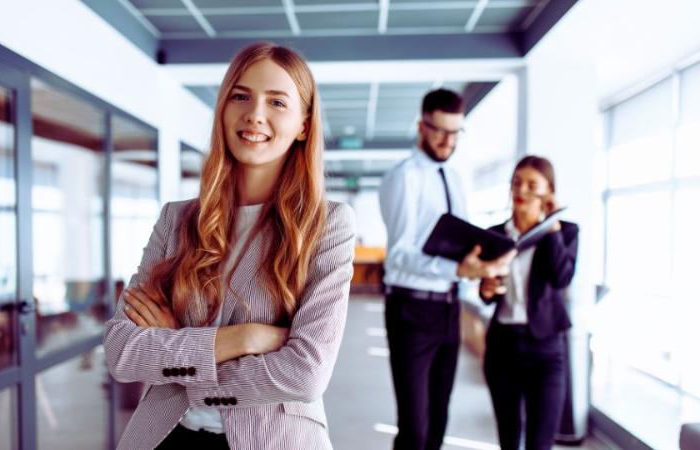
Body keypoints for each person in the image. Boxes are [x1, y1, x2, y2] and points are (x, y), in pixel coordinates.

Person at [103, 42, 356, 450]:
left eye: (277, 102)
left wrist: (179, 349)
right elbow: (122, 351)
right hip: (167, 435)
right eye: (241, 96)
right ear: (222, 108)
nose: (255, 114)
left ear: (304, 125)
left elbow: (304, 374)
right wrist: (243, 339)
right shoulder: (177, 219)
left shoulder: (327, 225)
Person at [379, 89, 516, 450]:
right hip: (411, 310)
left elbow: (461, 247)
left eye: (455, 132)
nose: (447, 140)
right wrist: (458, 270)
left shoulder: (455, 177)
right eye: (439, 130)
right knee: (415, 426)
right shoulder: (404, 176)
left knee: (439, 419)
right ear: (421, 126)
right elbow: (398, 256)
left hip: (448, 307)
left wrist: (479, 273)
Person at [479, 155, 579, 450]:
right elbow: (486, 297)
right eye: (516, 182)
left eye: (531, 184)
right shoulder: (495, 235)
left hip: (546, 349)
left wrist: (551, 228)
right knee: (508, 440)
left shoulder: (566, 232)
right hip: (502, 346)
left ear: (548, 192)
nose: (521, 190)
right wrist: (486, 288)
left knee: (540, 443)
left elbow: (562, 278)